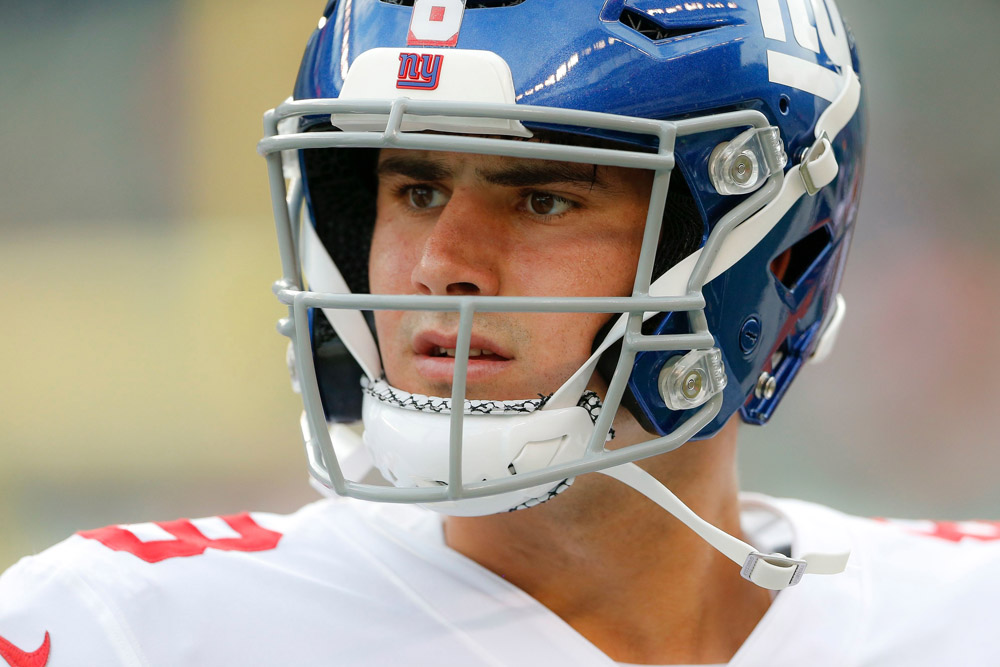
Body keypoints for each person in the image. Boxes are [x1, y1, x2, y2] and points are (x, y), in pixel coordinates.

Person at [2, 0, 999, 665]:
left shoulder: (965, 613)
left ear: (759, 258)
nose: (441, 262)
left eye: (544, 200)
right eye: (415, 187)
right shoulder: (131, 631)